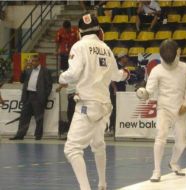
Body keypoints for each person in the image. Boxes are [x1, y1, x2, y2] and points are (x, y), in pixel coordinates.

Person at [59, 13, 129, 190]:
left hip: (87, 106)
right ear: (99, 30)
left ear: (80, 31)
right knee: (98, 144)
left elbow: (73, 74)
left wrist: (61, 77)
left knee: (72, 149)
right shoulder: (106, 48)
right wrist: (126, 73)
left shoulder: (79, 46)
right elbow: (117, 75)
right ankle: (103, 183)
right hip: (105, 107)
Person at [136, 39, 186, 182]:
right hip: (164, 109)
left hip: (180, 109)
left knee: (182, 142)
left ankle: (173, 162)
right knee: (160, 138)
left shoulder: (184, 67)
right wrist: (144, 94)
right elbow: (149, 90)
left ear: (177, 52)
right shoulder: (157, 70)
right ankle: (156, 170)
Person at [9, 54, 53, 140]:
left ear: (39, 61)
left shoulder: (45, 71)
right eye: (32, 61)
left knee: (39, 117)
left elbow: (49, 85)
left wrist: (44, 96)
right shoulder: (28, 70)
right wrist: (24, 68)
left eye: (35, 61)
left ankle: (38, 136)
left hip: (38, 97)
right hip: (28, 96)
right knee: (24, 117)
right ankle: (20, 135)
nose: (33, 62)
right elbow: (21, 80)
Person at [108, 52, 129, 134]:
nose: (127, 59)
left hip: (121, 90)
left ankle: (118, 127)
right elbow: (112, 78)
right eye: (125, 57)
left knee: (120, 109)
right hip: (115, 91)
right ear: (121, 58)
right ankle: (111, 127)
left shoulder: (124, 67)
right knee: (115, 109)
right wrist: (114, 88)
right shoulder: (116, 66)